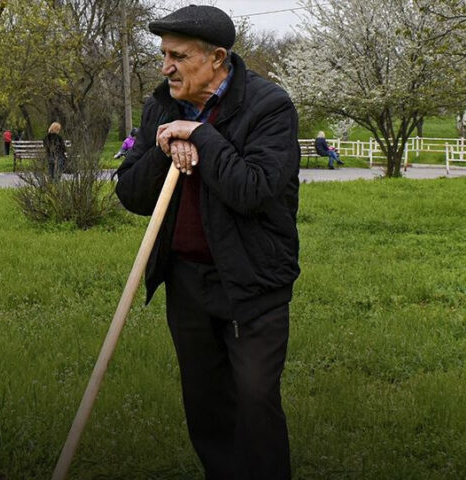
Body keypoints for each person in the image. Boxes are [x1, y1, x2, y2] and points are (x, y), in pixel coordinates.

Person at [115, 5, 300, 480]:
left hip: (252, 280)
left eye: (178, 56)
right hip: (188, 281)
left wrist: (201, 134)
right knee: (205, 404)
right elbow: (131, 194)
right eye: (163, 55)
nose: (166, 67)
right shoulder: (161, 105)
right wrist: (164, 146)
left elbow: (253, 190)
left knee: (256, 400)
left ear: (217, 58)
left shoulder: (269, 107)